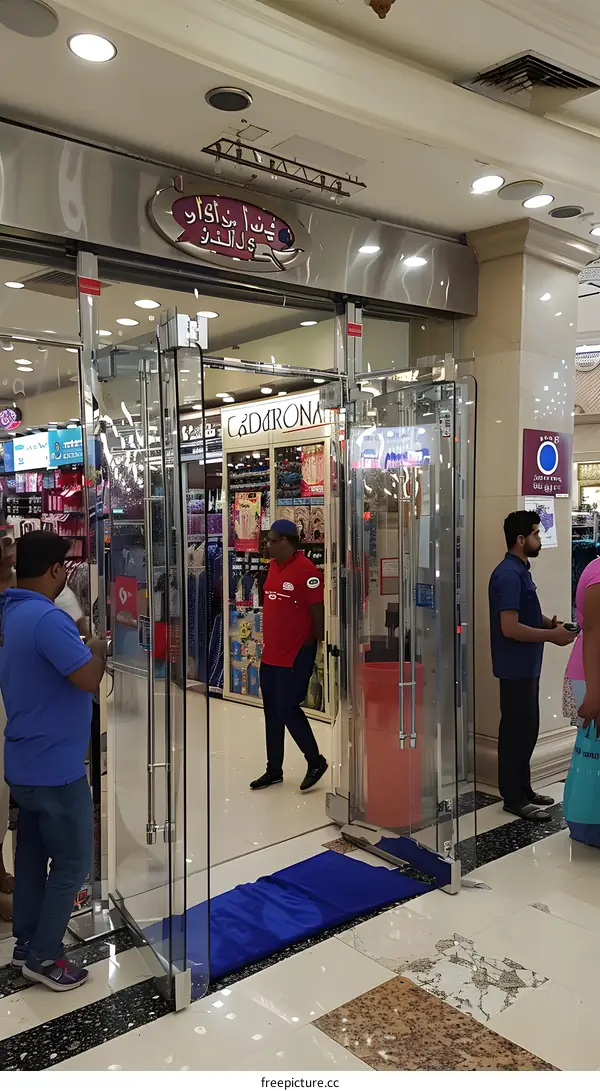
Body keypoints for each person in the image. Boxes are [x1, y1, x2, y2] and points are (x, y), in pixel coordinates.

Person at [0, 531, 107, 991]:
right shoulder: (47, 618)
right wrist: (99, 648)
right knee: (72, 861)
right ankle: (45, 955)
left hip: (24, 760)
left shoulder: (10, 612)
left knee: (30, 855)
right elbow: (86, 677)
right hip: (56, 768)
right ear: (57, 570)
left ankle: (26, 941)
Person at [489, 510, 576, 821]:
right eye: (537, 534)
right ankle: (513, 797)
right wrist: (551, 637)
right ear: (521, 539)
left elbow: (526, 615)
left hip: (527, 666)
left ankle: (523, 789)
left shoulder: (520, 570)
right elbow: (510, 627)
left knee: (527, 730)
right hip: (515, 667)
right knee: (515, 731)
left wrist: (552, 624)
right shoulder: (508, 575)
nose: (540, 539)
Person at [250, 519, 328, 792]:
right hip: (270, 655)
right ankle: (274, 770)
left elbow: (317, 614)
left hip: (294, 656)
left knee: (287, 708)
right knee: (272, 711)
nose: (267, 545)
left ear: (285, 541)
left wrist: (311, 647)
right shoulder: (272, 567)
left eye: (271, 540)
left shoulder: (307, 571)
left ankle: (315, 760)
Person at [562, 555, 600, 846]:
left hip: (588, 675)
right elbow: (594, 636)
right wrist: (595, 694)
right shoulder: (599, 576)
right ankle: (589, 823)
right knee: (591, 753)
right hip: (591, 678)